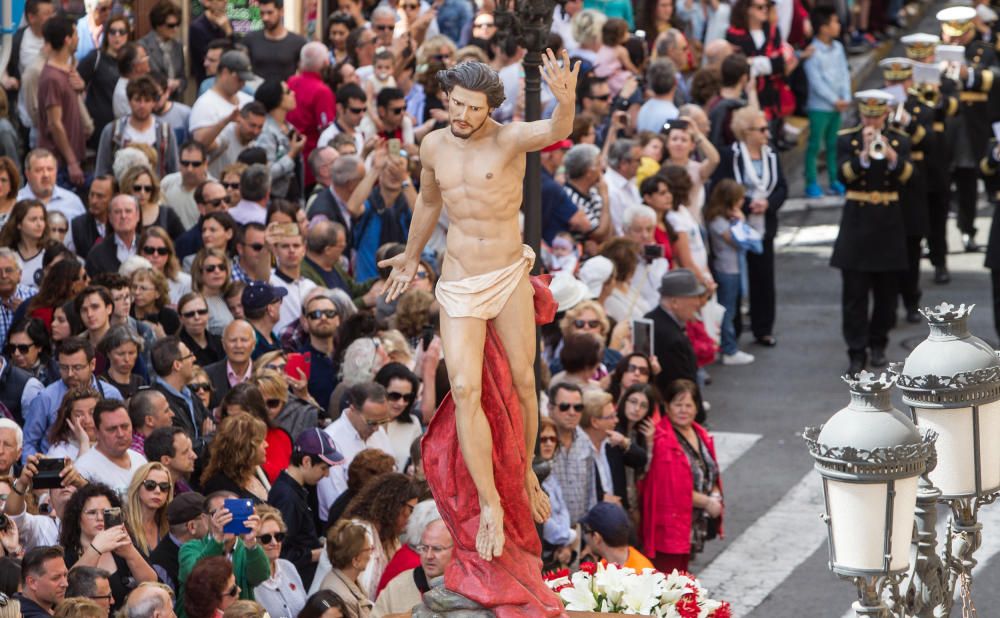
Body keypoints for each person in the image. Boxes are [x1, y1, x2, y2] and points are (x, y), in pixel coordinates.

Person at [832, 90, 912, 375]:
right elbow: (842, 175)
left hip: (888, 224)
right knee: (854, 295)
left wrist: (890, 154)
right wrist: (864, 155)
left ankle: (878, 343)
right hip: (857, 222)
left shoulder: (900, 139)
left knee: (886, 294)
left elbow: (907, 177)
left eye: (877, 116)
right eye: (868, 115)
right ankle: (856, 350)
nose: (872, 121)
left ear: (886, 114)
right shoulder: (847, 139)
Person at [713, 105, 787, 348]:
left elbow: (782, 188)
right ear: (747, 132)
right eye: (762, 129)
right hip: (736, 226)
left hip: (764, 225)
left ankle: (763, 327)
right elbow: (722, 187)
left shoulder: (772, 155)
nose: (767, 134)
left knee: (764, 278)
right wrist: (745, 204)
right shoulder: (729, 155)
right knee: (733, 280)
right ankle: (732, 329)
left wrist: (768, 204)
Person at [641, 379, 722, 574]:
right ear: (667, 407)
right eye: (678, 404)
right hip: (669, 526)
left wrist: (715, 495)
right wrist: (707, 502)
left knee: (682, 578)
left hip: (691, 525)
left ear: (696, 409)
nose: (683, 410)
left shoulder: (700, 433)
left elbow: (710, 470)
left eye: (688, 405)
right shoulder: (661, 439)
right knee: (668, 582)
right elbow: (669, 489)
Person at [59, 482, 158, 610]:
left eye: (106, 512)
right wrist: (95, 549)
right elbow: (69, 589)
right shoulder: (67, 554)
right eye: (92, 513)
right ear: (78, 518)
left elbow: (151, 584)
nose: (100, 518)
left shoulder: (121, 546)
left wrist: (131, 553)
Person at [23, 337, 124, 459]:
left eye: (77, 368)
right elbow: (28, 441)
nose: (70, 374)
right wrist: (36, 470)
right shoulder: (46, 397)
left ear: (92, 364)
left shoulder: (111, 394)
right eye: (64, 368)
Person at [267, 428, 340, 590]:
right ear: (306, 461)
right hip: (296, 583)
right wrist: (318, 554)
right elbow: (281, 553)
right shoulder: (287, 497)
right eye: (323, 467)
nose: (327, 474)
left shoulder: (295, 489)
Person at [176, 493, 268, 614]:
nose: (227, 519)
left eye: (233, 513)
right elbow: (197, 580)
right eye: (219, 514)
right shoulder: (190, 548)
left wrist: (251, 542)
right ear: (204, 519)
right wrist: (217, 538)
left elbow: (259, 577)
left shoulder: (247, 548)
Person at [317, 382, 393, 522]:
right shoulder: (330, 440)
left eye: (382, 421)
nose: (377, 428)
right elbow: (335, 500)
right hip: (343, 525)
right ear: (353, 409)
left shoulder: (379, 432)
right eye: (371, 422)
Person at [704, 179, 755, 365]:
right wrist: (740, 221)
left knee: (731, 308)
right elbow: (740, 240)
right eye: (740, 198)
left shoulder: (724, 219)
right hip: (727, 270)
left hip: (733, 268)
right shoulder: (718, 221)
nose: (743, 201)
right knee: (728, 310)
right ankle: (729, 348)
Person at [803, 6, 850, 198]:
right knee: (815, 145)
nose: (838, 25)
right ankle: (811, 182)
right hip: (819, 107)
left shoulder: (838, 48)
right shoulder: (812, 52)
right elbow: (816, 82)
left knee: (833, 145)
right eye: (834, 21)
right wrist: (834, 100)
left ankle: (834, 180)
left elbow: (844, 73)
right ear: (823, 27)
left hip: (837, 106)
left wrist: (846, 97)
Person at [37, 16, 87, 189]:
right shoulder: (52, 78)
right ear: (67, 39)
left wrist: (80, 88)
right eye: (75, 34)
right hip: (60, 164)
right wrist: (72, 161)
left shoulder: (67, 71)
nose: (78, 38)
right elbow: (55, 123)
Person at [646, 270, 704, 420]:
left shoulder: (650, 320)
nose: (698, 303)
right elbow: (682, 387)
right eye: (694, 297)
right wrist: (698, 417)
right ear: (674, 302)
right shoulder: (672, 339)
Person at [372, 513, 453, 616]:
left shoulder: (466, 588)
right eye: (424, 548)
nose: (428, 556)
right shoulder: (397, 587)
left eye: (437, 549)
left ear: (455, 550)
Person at [546, 382, 596, 526]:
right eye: (564, 407)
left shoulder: (585, 441)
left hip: (579, 531)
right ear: (550, 408)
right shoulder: (540, 441)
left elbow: (591, 493)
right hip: (548, 535)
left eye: (578, 407)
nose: (572, 412)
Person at [74, 400, 148, 495]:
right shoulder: (84, 469)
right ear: (97, 432)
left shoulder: (140, 460)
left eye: (125, 426)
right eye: (112, 429)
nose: (120, 434)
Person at [252, 505, 308, 618]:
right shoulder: (247, 579)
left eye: (278, 536)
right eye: (265, 538)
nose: (274, 543)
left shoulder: (288, 566)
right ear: (250, 541)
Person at [200, 413, 271, 503]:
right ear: (245, 447)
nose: (266, 445)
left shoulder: (259, 473)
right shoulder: (220, 484)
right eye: (260, 441)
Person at [148, 491, 208, 591]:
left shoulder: (208, 542)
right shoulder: (161, 566)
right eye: (206, 518)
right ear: (192, 526)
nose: (212, 522)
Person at [317, 520, 374, 617]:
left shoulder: (349, 579)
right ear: (355, 560)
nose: (371, 554)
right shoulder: (343, 599)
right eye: (369, 549)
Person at [243, 0, 307, 83]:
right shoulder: (250, 39)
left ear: (281, 11)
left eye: (270, 13)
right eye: (262, 13)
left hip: (285, 93)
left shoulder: (298, 42)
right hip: (257, 93)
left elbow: (304, 74)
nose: (265, 18)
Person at [373, 363, 422, 472]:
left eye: (407, 397)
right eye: (394, 396)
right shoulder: (366, 424)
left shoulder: (413, 424)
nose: (401, 403)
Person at [579, 502, 653, 571]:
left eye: (586, 530)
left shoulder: (641, 575)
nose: (586, 537)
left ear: (596, 537)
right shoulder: (606, 563)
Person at [122, 461, 173, 557]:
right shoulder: (123, 525)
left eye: (164, 486)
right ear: (137, 486)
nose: (158, 491)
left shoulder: (168, 526)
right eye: (150, 485)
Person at [84, 195, 141, 277]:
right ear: (110, 217)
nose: (123, 216)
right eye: (117, 212)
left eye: (128, 211)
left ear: (137, 216)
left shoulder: (150, 247)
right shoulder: (97, 254)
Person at [0, 199, 49, 290]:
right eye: (33, 219)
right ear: (19, 224)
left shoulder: (50, 252)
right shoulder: (5, 254)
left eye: (42, 219)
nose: (39, 224)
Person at [45, 387, 99, 461]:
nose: (87, 421)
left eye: (92, 413)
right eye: (79, 415)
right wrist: (84, 443)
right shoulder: (58, 452)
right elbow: (81, 472)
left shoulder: (111, 445)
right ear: (68, 420)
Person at [191, 248, 234, 337]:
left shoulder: (225, 296)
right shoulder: (196, 303)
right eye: (210, 269)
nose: (217, 271)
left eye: (222, 267)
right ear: (200, 273)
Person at [17, 546, 69, 618]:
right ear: (32, 582)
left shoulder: (15, 605)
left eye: (65, 575)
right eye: (56, 578)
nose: (65, 584)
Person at [145, 426, 198, 494]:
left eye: (191, 449)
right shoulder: (155, 496)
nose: (194, 456)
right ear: (166, 460)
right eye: (185, 452)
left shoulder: (182, 487)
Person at [99, 325, 147, 399]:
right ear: (108, 353)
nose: (127, 359)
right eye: (120, 354)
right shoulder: (100, 384)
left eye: (131, 353)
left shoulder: (140, 382)